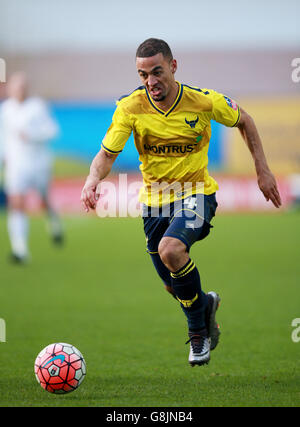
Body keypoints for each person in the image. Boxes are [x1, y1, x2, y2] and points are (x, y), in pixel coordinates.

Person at [81, 38, 282, 367]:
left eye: (157, 72)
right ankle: (206, 305)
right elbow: (106, 154)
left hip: (198, 195)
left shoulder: (203, 102)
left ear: (173, 67)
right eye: (143, 75)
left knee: (171, 250)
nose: (150, 82)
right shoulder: (130, 107)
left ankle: (198, 335)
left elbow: (244, 119)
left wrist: (263, 170)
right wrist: (92, 180)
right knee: (175, 286)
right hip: (154, 205)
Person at [0, 71, 63, 263]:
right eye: (15, 86)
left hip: (38, 163)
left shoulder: (37, 106)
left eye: (22, 86)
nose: (19, 90)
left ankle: (54, 223)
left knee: (43, 200)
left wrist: (32, 135)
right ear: (10, 88)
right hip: (16, 164)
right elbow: (4, 137)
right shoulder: (6, 109)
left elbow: (53, 131)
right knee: (16, 203)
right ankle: (20, 250)